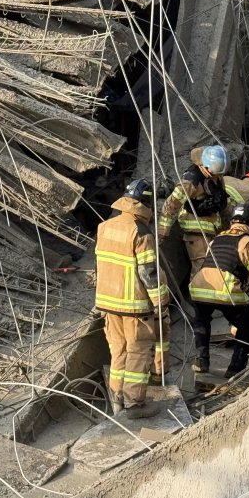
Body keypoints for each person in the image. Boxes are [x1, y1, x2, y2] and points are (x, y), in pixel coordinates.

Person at [95, 179, 169, 418]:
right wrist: (161, 304)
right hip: (135, 306)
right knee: (138, 353)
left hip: (108, 303)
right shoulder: (141, 232)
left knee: (118, 351)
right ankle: (135, 405)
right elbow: (149, 273)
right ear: (146, 203)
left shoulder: (105, 227)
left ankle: (116, 399)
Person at [188, 204, 249, 378]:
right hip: (226, 291)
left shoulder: (216, 238)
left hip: (200, 287)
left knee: (202, 322)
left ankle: (201, 361)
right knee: (246, 326)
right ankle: (235, 369)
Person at [158, 145, 230, 280]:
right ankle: (197, 297)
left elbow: (222, 199)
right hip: (195, 229)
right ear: (205, 165)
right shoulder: (191, 181)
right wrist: (163, 231)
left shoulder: (216, 176)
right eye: (215, 173)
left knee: (215, 265)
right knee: (202, 268)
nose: (218, 176)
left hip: (212, 227)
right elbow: (171, 204)